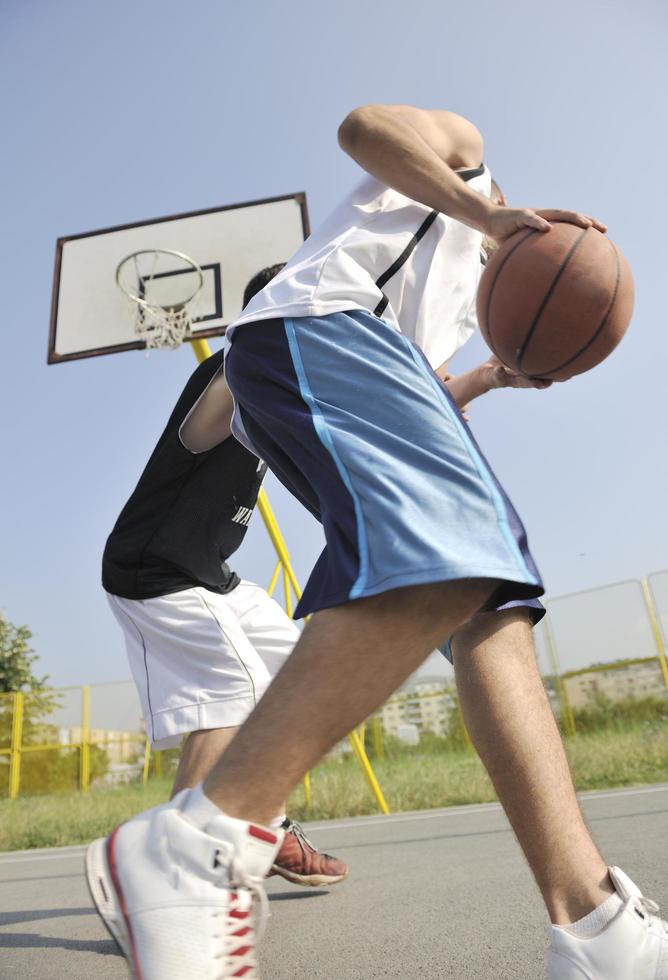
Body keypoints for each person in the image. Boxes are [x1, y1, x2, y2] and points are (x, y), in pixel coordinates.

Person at [87, 105, 667, 979]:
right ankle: (198, 842)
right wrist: (488, 215)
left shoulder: (459, 316)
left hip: (353, 366)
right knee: (454, 552)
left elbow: (423, 388)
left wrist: (491, 376)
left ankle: (594, 927)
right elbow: (363, 127)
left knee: (491, 606)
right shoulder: (464, 171)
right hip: (316, 328)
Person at [100, 264, 348, 888]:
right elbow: (208, 423)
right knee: (234, 691)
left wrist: (481, 379)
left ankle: (264, 819)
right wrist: (271, 325)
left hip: (210, 573)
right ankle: (162, 876)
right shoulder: (232, 371)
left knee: (311, 672)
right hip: (155, 567)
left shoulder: (285, 395)